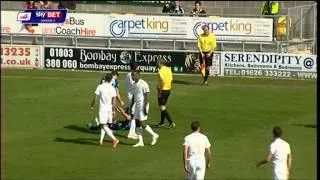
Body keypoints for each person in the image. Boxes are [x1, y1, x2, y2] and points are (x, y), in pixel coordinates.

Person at [130, 70, 159, 147]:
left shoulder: (143, 84)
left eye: (134, 75)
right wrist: (131, 107)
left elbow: (146, 96)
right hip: (136, 106)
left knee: (142, 123)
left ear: (138, 75)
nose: (132, 76)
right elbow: (133, 96)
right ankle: (140, 142)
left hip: (143, 105)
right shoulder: (133, 84)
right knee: (137, 123)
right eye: (132, 75)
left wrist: (145, 107)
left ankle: (154, 135)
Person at [90, 73, 119, 148]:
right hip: (109, 108)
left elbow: (95, 97)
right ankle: (100, 141)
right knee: (104, 125)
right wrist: (113, 110)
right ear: (110, 80)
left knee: (103, 125)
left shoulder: (100, 86)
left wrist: (92, 105)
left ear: (105, 78)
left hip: (103, 108)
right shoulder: (112, 88)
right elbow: (114, 100)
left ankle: (115, 139)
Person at [156, 58, 175, 128]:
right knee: (163, 106)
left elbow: (162, 81)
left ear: (161, 63)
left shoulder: (160, 71)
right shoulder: (168, 69)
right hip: (168, 90)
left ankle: (171, 122)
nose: (156, 64)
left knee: (162, 107)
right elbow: (171, 79)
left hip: (163, 90)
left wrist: (160, 90)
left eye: (157, 63)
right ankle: (162, 122)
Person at [126, 63, 139, 139]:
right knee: (133, 115)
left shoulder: (129, 74)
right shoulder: (131, 75)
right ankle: (131, 133)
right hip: (132, 97)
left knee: (134, 115)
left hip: (132, 96)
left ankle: (132, 132)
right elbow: (134, 84)